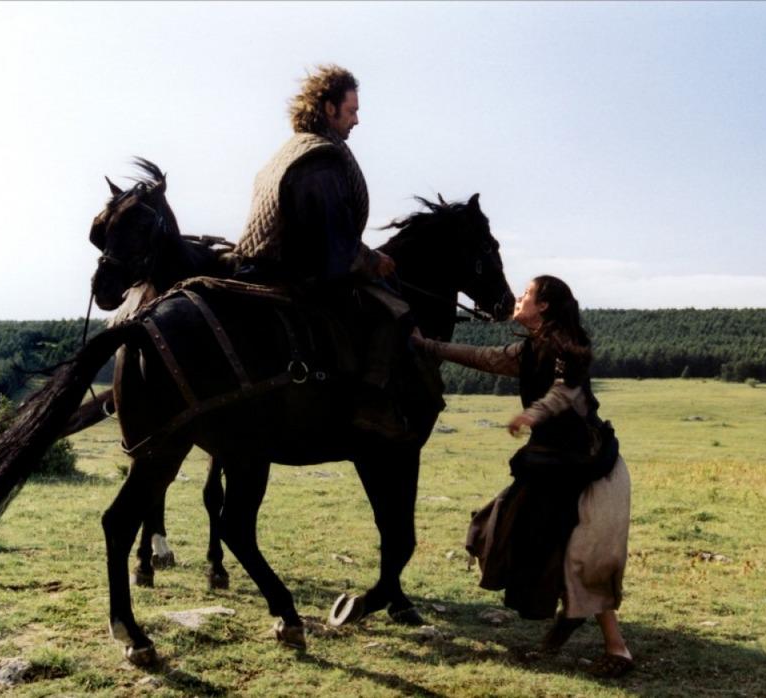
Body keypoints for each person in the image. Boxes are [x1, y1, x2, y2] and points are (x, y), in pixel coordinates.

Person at [413, 275, 634, 678]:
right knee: (498, 527)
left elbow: (568, 391)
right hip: (548, 467)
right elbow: (483, 357)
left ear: (544, 305)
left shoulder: (567, 346)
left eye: (526, 293)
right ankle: (567, 614)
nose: (518, 297)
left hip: (590, 469)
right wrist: (427, 346)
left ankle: (617, 648)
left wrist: (532, 413)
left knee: (586, 557)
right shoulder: (529, 349)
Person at [234, 64, 409, 438]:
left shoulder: (289, 151)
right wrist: (371, 260)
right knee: (391, 311)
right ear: (329, 108)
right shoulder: (321, 158)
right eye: (352, 110)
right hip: (292, 271)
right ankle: (368, 404)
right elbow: (329, 240)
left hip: (259, 263)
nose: (357, 120)